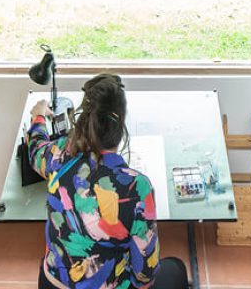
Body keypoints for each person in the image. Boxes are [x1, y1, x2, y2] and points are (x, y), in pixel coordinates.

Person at [27, 73, 189, 289]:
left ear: (86, 118)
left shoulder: (58, 154)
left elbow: (35, 150)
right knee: (176, 268)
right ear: (121, 126)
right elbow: (145, 276)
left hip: (52, 283)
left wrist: (38, 117)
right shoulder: (137, 187)